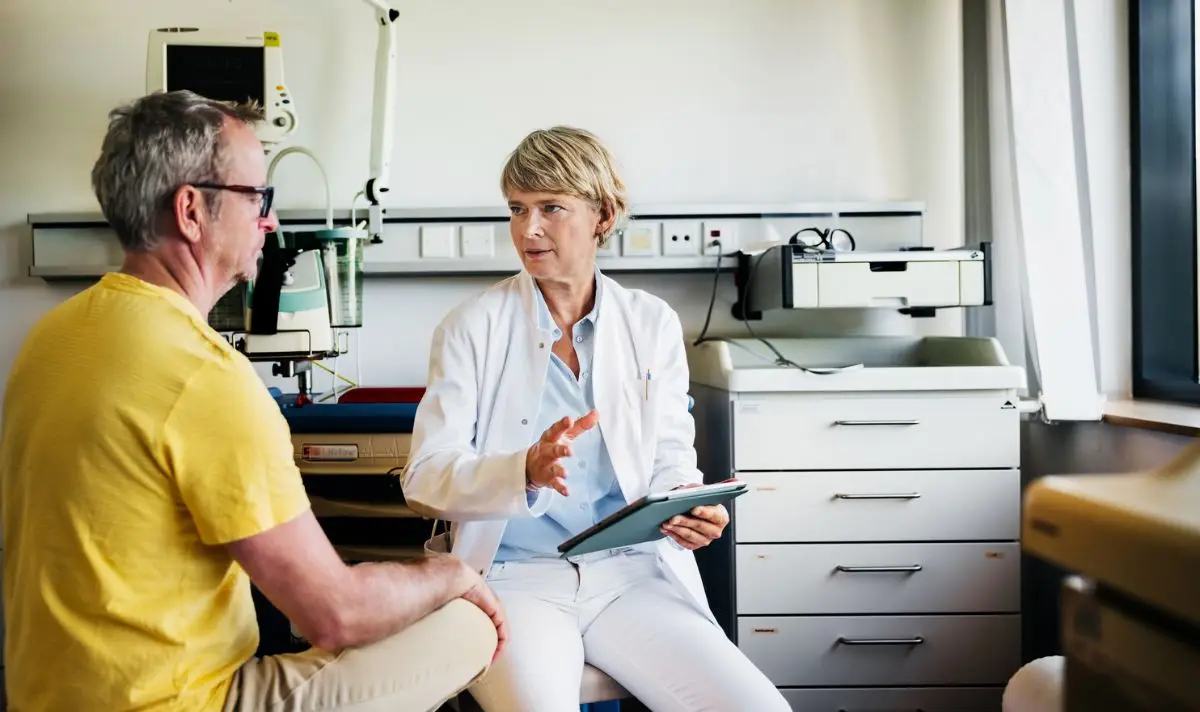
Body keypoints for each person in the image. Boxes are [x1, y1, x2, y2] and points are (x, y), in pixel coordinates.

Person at [0, 90, 506, 712]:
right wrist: (451, 574)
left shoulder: (52, 337)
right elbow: (335, 615)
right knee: (468, 625)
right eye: (257, 198)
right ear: (191, 210)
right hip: (178, 703)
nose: (269, 221)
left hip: (41, 697)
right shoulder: (204, 376)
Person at [402, 126, 790, 712]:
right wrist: (522, 470)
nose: (527, 229)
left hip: (631, 575)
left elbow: (668, 457)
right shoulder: (471, 327)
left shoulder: (650, 323)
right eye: (517, 209)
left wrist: (687, 506)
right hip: (515, 579)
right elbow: (425, 478)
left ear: (602, 215)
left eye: (551, 208)